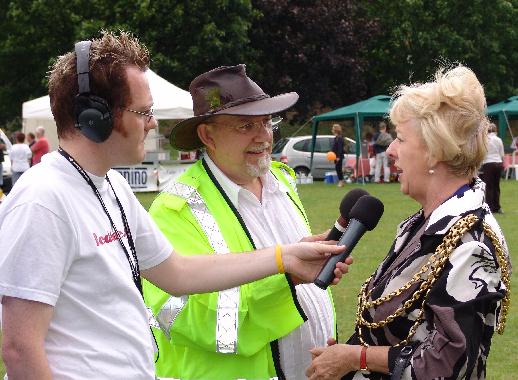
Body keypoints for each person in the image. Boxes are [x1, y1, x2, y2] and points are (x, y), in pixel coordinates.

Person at [0, 32, 350, 380]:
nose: (152, 123)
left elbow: (179, 273)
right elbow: (19, 348)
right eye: (143, 112)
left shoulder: (113, 188)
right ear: (96, 117)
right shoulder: (42, 201)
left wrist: (284, 258)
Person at [307, 65, 511, 380]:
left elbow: (448, 367)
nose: (390, 150)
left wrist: (355, 357)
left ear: (434, 152)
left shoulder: (472, 242)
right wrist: (348, 357)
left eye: (400, 139)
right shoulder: (425, 222)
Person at [143, 64, 345, 380]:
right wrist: (287, 279)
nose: (264, 136)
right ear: (207, 135)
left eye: (267, 122)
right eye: (245, 126)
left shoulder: (282, 181)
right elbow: (189, 319)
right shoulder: (174, 209)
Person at [480, 123, 504, 213]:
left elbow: (482, 153)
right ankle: (497, 207)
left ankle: (489, 207)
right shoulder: (499, 139)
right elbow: (502, 154)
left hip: (488, 163)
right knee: (496, 186)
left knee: (489, 186)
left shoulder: (485, 140)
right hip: (498, 163)